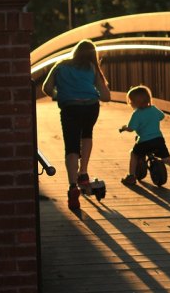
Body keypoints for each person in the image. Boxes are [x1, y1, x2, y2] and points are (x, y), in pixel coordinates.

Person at [42, 39, 111, 210]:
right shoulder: (92, 67)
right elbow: (106, 96)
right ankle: (83, 172)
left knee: (71, 146)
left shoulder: (60, 65)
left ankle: (73, 185)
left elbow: (46, 87)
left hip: (70, 107)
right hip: (90, 106)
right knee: (87, 134)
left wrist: (58, 94)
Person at [119, 85, 170, 187]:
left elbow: (131, 128)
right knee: (166, 158)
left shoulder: (136, 114)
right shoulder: (153, 109)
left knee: (134, 154)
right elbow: (162, 116)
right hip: (158, 140)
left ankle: (131, 176)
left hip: (144, 141)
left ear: (134, 103)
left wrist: (124, 128)